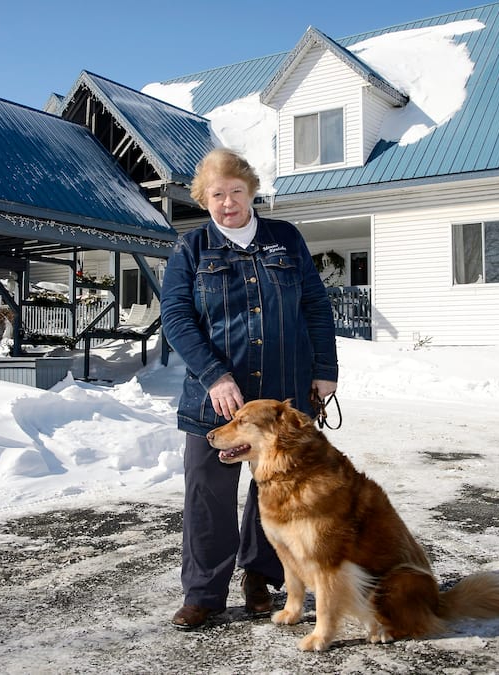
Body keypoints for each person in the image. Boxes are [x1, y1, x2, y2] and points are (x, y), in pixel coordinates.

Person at [160, 148, 339, 629]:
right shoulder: (190, 249)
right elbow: (176, 318)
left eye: (236, 192)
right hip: (215, 400)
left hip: (282, 399)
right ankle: (203, 594)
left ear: (251, 192)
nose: (227, 203)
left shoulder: (285, 239)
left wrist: (325, 367)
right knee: (208, 493)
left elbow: (316, 307)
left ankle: (260, 577)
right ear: (204, 199)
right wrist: (214, 375)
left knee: (278, 490)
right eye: (216, 194)